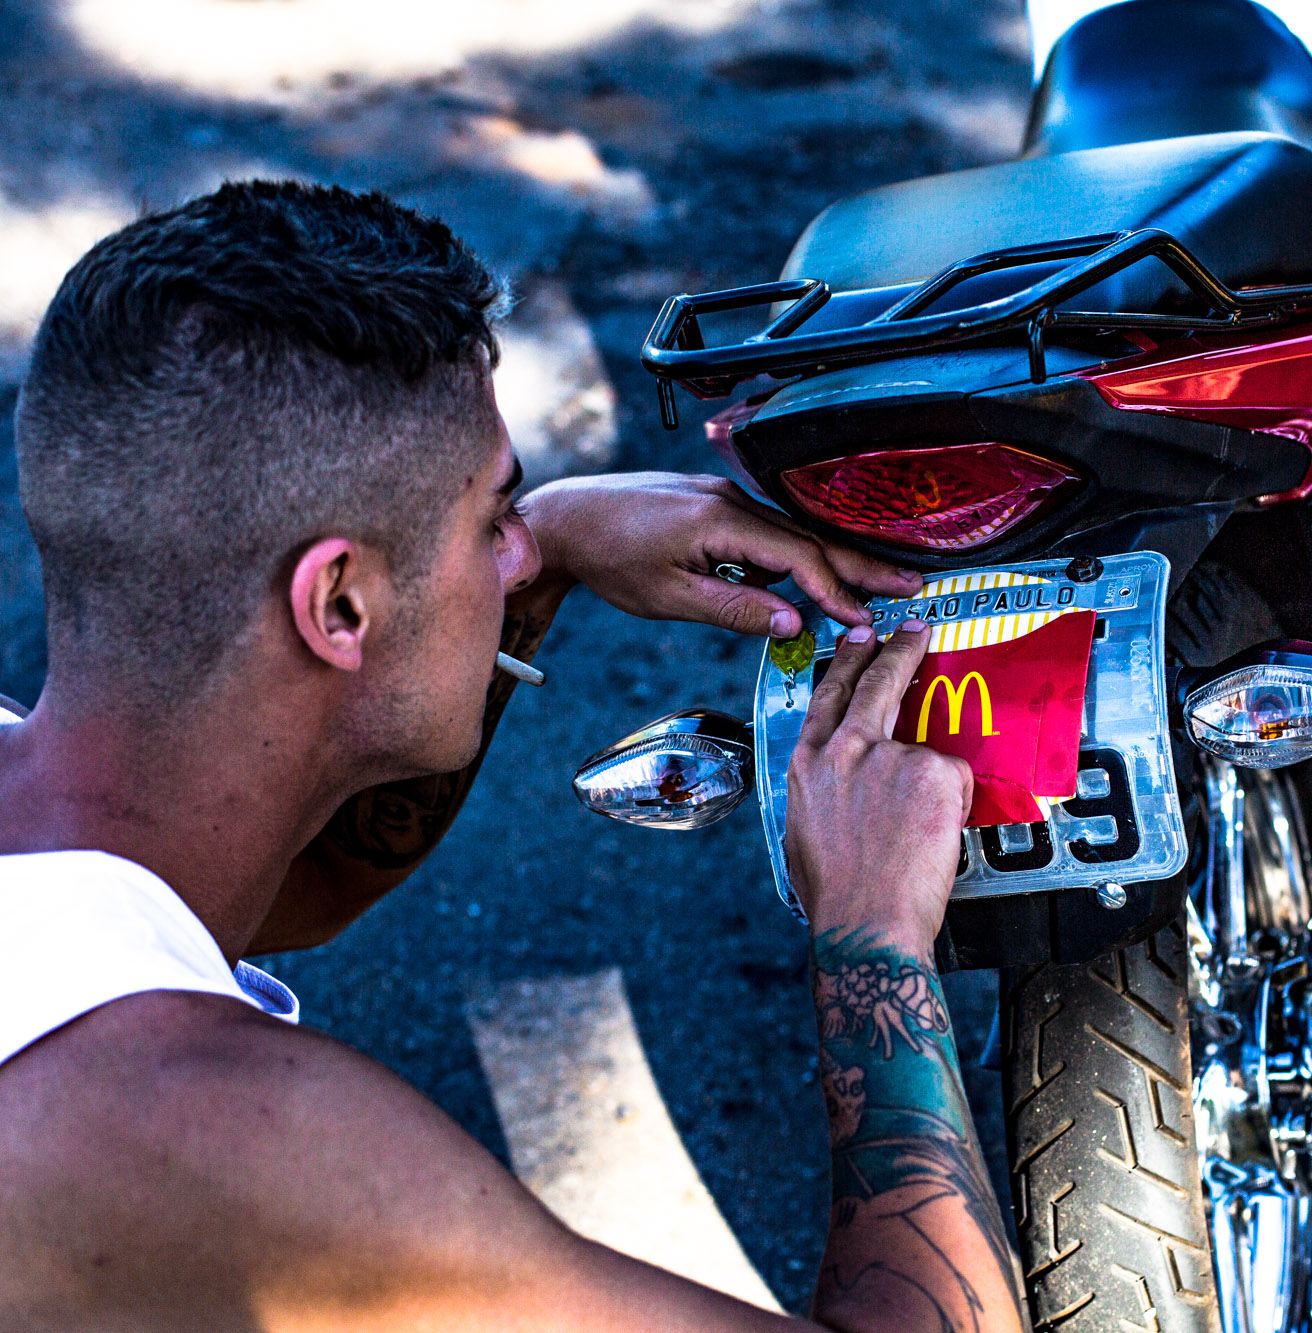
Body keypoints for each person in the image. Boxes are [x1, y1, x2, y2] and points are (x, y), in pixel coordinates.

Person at [0, 181, 1024, 1332]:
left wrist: (554, 552)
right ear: (339, 602)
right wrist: (872, 935)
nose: (520, 544)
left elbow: (293, 885)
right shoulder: (211, 1138)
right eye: (497, 520)